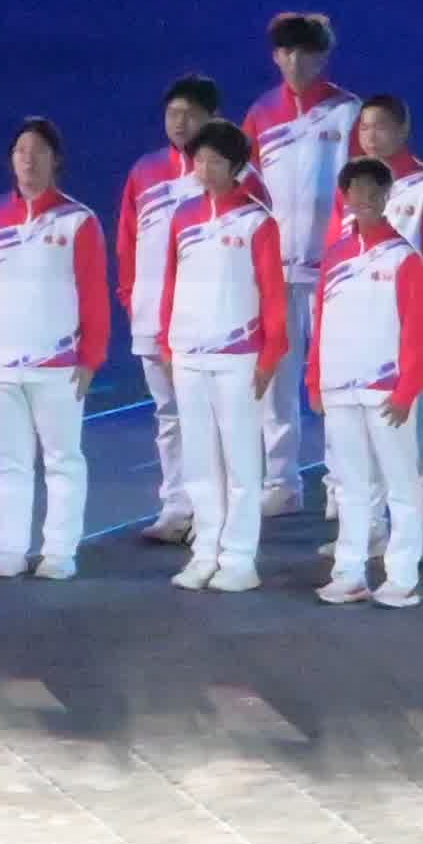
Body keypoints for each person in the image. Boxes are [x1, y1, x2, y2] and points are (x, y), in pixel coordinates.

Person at [0, 119, 111, 581]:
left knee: (62, 460)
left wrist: (92, 357)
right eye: (21, 151)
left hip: (58, 365)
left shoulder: (77, 221)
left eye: (38, 151)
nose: (28, 159)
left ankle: (59, 552)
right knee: (10, 463)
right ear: (11, 160)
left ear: (55, 160)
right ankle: (9, 549)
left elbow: (93, 294)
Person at [151, 119, 286, 590]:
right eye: (200, 160)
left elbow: (273, 294)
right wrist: (168, 343)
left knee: (241, 461)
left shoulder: (256, 222)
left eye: (216, 161)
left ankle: (240, 559)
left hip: (237, 356)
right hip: (189, 354)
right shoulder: (184, 217)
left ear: (237, 166)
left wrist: (270, 355)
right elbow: (171, 284)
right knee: (200, 459)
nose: (205, 169)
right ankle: (204, 551)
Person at [307, 155, 423, 606]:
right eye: (356, 191)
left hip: (387, 390)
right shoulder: (335, 257)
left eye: (374, 191)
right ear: (345, 198)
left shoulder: (404, 258)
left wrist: (408, 388)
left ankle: (401, 576)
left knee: (400, 484)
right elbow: (322, 323)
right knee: (351, 485)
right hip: (340, 388)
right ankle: (349, 572)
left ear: (387, 197)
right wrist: (315, 380)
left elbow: (416, 331)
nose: (364, 198)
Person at [241, 12, 365, 508]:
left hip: (332, 265)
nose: (295, 61)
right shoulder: (261, 114)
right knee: (276, 376)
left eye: (306, 52)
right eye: (287, 51)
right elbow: (247, 190)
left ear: (323, 57)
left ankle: (341, 485)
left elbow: (363, 186)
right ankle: (281, 482)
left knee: (333, 375)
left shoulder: (347, 111)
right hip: (276, 267)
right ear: (275, 57)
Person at [120, 76, 230, 561]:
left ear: (212, 118)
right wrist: (132, 296)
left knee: (209, 416)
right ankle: (176, 506)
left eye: (189, 114)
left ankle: (214, 510)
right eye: (172, 114)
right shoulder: (146, 172)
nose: (180, 123)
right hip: (151, 315)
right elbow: (128, 240)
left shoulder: (229, 175)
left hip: (204, 320)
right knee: (169, 415)